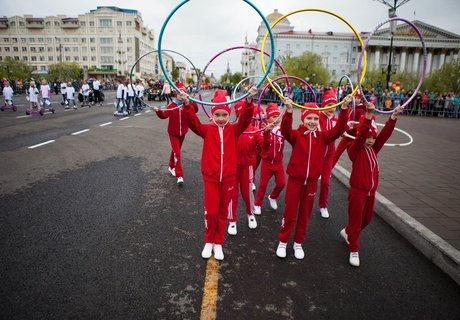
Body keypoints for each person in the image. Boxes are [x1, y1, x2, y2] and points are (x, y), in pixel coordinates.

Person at [183, 87, 258, 260]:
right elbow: (192, 122)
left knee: (223, 211)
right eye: (218, 115)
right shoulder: (207, 130)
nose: (221, 118)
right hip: (211, 177)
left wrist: (248, 102)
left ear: (230, 115)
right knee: (211, 211)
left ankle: (218, 243)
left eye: (224, 115)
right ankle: (208, 240)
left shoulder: (234, 129)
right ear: (212, 115)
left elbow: (246, 119)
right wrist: (187, 104)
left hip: (229, 178)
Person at [275, 95, 351, 260]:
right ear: (302, 119)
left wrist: (344, 109)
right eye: (309, 117)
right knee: (290, 213)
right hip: (295, 181)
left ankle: (298, 243)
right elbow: (285, 130)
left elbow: (339, 129)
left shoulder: (323, 137)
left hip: (311, 183)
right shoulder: (296, 135)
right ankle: (283, 241)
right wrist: (288, 112)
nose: (312, 121)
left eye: (315, 118)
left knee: (305, 214)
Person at [341, 103, 404, 267]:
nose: (370, 141)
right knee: (355, 222)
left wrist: (393, 116)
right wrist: (368, 116)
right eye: (368, 138)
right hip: (358, 192)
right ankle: (354, 249)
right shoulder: (354, 150)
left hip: (371, 192)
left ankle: (348, 232)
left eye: (372, 138)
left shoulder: (374, 149)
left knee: (367, 220)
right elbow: (361, 135)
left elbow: (384, 135)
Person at [153, 84, 198, 185]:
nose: (180, 95)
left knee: (175, 151)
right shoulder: (172, 105)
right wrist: (158, 111)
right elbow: (164, 115)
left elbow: (195, 110)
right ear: (175, 94)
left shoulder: (187, 104)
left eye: (182, 93)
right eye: (178, 93)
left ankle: (171, 165)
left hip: (183, 132)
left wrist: (191, 101)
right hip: (173, 133)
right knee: (177, 153)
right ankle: (179, 175)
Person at [227, 120, 263, 235]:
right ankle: (232, 219)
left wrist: (267, 133)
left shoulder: (255, 131)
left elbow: (263, 146)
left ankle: (251, 213)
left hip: (247, 167)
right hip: (232, 167)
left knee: (248, 193)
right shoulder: (231, 128)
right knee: (232, 194)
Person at [253, 103, 285, 215]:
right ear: (268, 117)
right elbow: (264, 146)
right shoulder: (263, 129)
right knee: (263, 185)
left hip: (278, 163)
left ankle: (273, 196)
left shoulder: (283, 129)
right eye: (274, 116)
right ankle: (257, 204)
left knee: (281, 183)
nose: (276, 119)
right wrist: (267, 132)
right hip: (267, 163)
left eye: (278, 116)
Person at [317, 90, 338, 219]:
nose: (331, 108)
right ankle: (305, 202)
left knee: (325, 182)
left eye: (334, 105)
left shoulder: (335, 120)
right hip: (316, 155)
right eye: (328, 105)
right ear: (323, 105)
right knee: (310, 182)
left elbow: (342, 128)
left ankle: (323, 205)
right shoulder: (316, 117)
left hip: (329, 156)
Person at [331, 91, 366, 168]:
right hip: (347, 136)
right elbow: (346, 119)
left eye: (358, 98)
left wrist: (353, 127)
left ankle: (357, 173)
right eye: (354, 97)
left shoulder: (361, 110)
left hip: (354, 138)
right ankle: (328, 171)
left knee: (355, 157)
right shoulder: (351, 108)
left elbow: (362, 123)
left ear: (360, 99)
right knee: (336, 154)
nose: (355, 99)